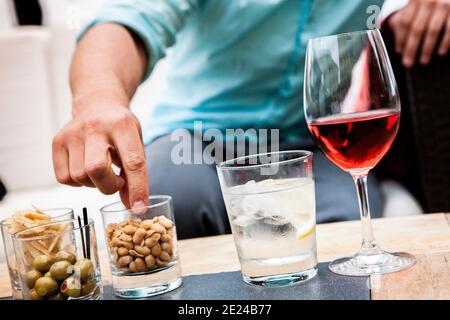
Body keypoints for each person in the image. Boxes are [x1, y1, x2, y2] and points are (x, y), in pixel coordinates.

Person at [52, 0, 449, 239]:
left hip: (309, 142)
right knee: (172, 208)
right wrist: (97, 99)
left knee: (342, 236)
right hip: (194, 137)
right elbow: (128, 19)